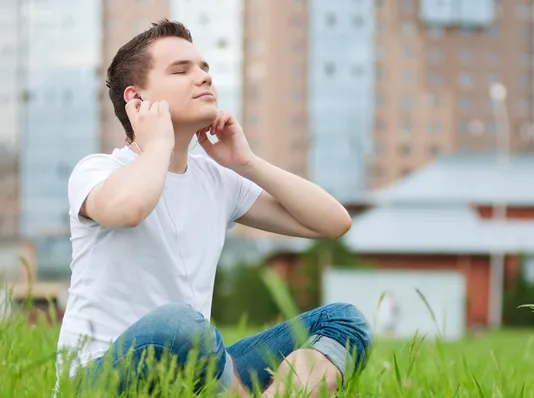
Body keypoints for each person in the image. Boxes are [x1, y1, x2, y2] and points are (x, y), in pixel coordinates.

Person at [54, 19, 373, 397]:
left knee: (343, 321)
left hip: (195, 371)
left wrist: (246, 163)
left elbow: (332, 223)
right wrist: (157, 144)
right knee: (180, 324)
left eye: (204, 67)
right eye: (181, 70)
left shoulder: (218, 179)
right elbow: (131, 208)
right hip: (101, 379)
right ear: (136, 99)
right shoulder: (98, 171)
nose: (204, 77)